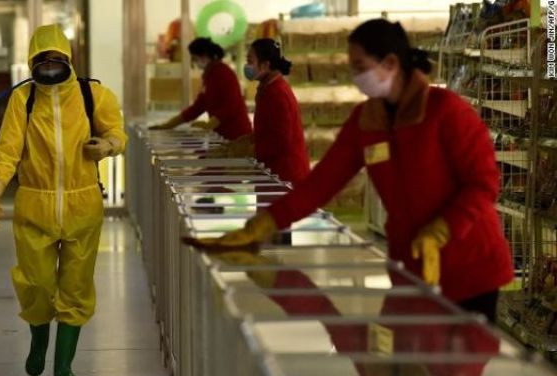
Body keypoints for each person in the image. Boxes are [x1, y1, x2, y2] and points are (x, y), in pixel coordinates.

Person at [189, 19, 513, 323]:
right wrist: (262, 224)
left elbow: (483, 183)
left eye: (360, 67)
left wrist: (440, 230)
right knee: (393, 373)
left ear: (390, 64)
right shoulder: (367, 121)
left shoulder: (447, 111)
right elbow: (320, 184)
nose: (355, 77)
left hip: (469, 268)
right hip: (409, 267)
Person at [0, 24, 126, 376]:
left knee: (76, 286)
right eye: (42, 60)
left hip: (83, 206)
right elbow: (7, 150)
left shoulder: (93, 95)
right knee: (36, 283)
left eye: (57, 59)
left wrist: (106, 147)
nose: (50, 66)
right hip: (35, 205)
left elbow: (117, 132)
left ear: (69, 58)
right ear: (32, 61)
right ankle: (37, 344)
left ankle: (63, 365)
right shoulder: (24, 99)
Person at [222, 38, 310, 184]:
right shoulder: (268, 88)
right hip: (273, 172)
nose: (247, 66)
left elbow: (280, 140)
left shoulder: (277, 93)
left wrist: (250, 152)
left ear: (265, 65)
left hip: (285, 176)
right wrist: (246, 140)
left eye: (250, 61)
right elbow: (269, 130)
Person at [150, 38, 252, 140]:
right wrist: (168, 125)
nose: (194, 62)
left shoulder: (223, 73)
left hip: (237, 134)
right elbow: (198, 107)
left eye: (194, 58)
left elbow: (230, 105)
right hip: (222, 134)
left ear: (204, 56)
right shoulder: (209, 75)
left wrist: (210, 123)